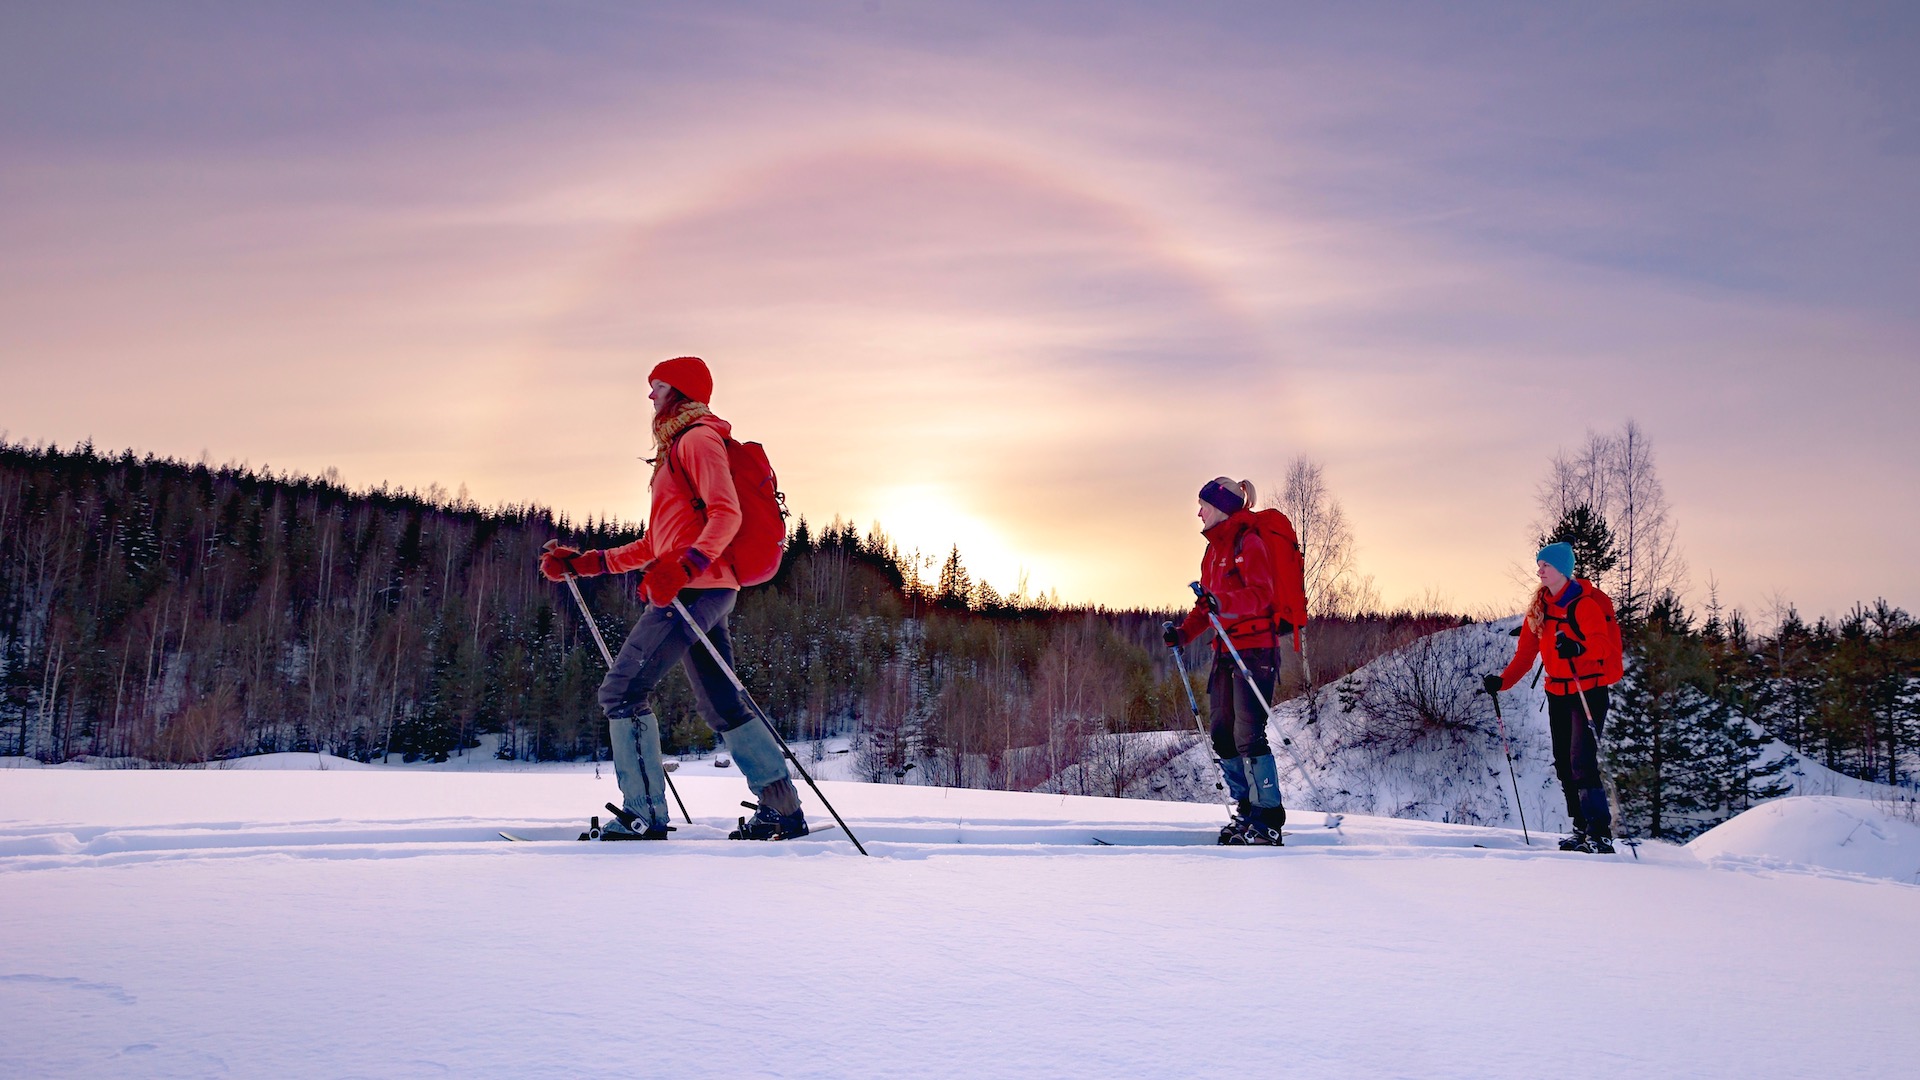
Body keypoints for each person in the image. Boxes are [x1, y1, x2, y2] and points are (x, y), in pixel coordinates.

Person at [537, 356, 806, 840]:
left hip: (693, 589)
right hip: (702, 587)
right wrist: (587, 563)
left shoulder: (698, 439)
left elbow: (726, 515)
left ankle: (643, 814)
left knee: (622, 692)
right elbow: (652, 545)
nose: (650, 395)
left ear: (679, 391)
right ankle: (781, 810)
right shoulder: (675, 449)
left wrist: (686, 567)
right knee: (722, 703)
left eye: (656, 385)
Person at [1164, 477, 1291, 845]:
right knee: (1222, 735)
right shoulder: (1212, 552)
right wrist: (1184, 634)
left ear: (1221, 506)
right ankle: (1246, 810)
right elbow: (1207, 606)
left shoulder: (1247, 542)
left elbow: (1262, 596)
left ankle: (1268, 818)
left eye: (1203, 504)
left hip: (1255, 651)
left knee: (1248, 735)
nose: (1198, 511)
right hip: (1225, 652)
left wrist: (1225, 604)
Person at [1483, 541, 1623, 853]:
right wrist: (1501, 682)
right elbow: (1524, 657)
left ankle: (1598, 833)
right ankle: (1580, 828)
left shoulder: (1584, 605)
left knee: (1582, 761)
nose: (1539, 570)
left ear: (1562, 568)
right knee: (1563, 762)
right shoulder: (1539, 609)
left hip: (1587, 690)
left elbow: (1603, 646)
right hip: (1557, 690)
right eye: (1539, 565)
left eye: (1545, 565)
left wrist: (1578, 647)